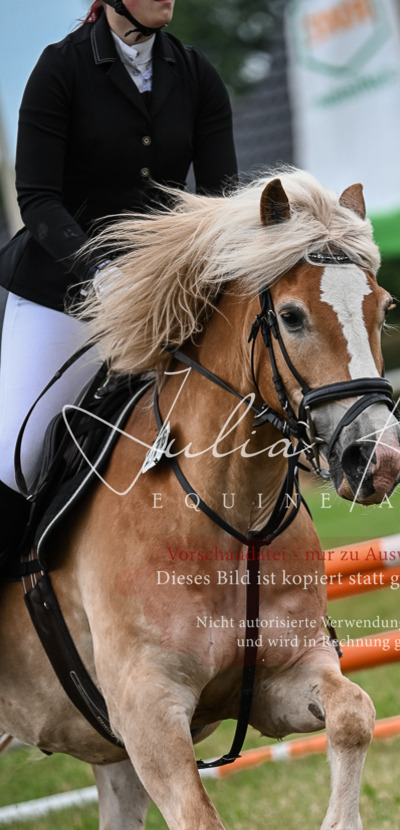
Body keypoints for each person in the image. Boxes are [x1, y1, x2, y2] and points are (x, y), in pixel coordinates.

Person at [0, 0, 238, 573]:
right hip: (67, 294)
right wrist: (101, 274)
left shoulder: (196, 73)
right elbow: (37, 199)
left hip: (164, 299)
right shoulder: (61, 69)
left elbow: (220, 199)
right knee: (18, 454)